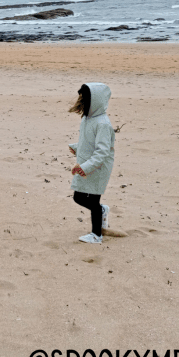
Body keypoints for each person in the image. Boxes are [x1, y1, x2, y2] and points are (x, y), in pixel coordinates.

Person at [68, 83, 115, 244]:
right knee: (78, 197)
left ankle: (97, 235)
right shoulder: (88, 119)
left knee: (93, 201)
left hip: (98, 167)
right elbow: (88, 142)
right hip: (87, 164)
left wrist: (85, 167)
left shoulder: (103, 123)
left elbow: (102, 151)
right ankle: (102, 211)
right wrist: (76, 148)